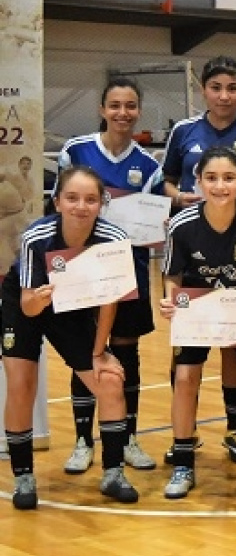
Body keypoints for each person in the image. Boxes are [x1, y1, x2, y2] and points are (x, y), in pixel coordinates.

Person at [2, 167, 140, 509]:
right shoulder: (37, 236)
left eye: (91, 199)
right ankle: (24, 477)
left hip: (72, 307)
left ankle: (113, 474)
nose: (81, 206)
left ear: (101, 203)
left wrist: (99, 352)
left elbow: (109, 302)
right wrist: (40, 298)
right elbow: (28, 306)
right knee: (21, 384)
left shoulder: (113, 239)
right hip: (27, 302)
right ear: (58, 202)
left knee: (109, 381)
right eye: (72, 198)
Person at [161, 55, 236, 465]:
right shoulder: (183, 131)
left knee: (234, 352)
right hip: (195, 246)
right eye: (216, 87)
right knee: (186, 363)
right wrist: (180, 198)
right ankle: (183, 438)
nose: (224, 95)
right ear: (203, 90)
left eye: (232, 88)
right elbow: (167, 180)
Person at [57, 77, 165, 476]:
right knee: (84, 353)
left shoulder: (149, 166)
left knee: (126, 354)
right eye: (115, 105)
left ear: (139, 111)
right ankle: (82, 441)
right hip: (81, 269)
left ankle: (128, 438)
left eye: (131, 106)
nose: (123, 113)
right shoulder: (76, 151)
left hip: (129, 272)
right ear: (102, 109)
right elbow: (58, 209)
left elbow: (152, 225)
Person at [158, 147, 236, 501]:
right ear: (198, 181)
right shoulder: (182, 224)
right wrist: (170, 300)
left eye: (229, 178)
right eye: (211, 178)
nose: (220, 186)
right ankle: (183, 462)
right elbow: (172, 275)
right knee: (185, 377)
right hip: (196, 311)